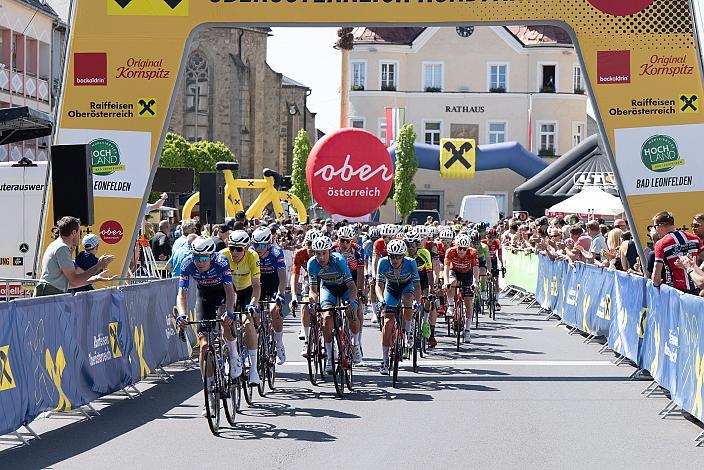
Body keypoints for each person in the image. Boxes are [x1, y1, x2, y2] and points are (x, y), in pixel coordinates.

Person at [175, 236, 258, 418]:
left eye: (204, 258)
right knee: (204, 345)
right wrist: (181, 315)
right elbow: (182, 294)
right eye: (197, 257)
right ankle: (209, 391)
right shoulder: (187, 263)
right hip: (204, 296)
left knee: (224, 323)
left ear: (211, 257)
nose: (200, 262)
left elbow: (230, 292)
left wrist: (229, 312)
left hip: (223, 294)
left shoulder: (221, 262)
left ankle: (234, 356)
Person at [307, 236, 359, 373]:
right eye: (318, 253)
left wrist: (351, 302)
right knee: (326, 317)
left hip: (345, 288)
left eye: (324, 253)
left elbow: (352, 287)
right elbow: (313, 290)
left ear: (330, 251)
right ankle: (330, 357)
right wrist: (312, 302)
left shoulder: (339, 260)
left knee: (350, 312)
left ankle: (356, 343)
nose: (321, 257)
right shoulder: (312, 263)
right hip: (328, 288)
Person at [35, 216, 115, 297]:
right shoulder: (62, 248)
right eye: (79, 232)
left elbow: (70, 283)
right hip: (50, 295)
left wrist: (95, 278)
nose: (80, 236)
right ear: (73, 233)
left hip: (49, 294)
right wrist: (98, 266)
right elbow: (74, 280)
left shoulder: (56, 245)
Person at [375, 239, 420, 375]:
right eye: (392, 256)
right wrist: (381, 299)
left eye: (398, 256)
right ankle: (384, 359)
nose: (394, 259)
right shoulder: (383, 263)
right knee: (387, 322)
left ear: (403, 256)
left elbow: (417, 286)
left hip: (407, 287)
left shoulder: (410, 263)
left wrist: (417, 301)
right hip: (391, 289)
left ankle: (408, 330)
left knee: (407, 302)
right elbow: (379, 285)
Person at [219, 230, 261, 372]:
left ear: (246, 248)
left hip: (246, 291)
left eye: (238, 249)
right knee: (223, 319)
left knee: (248, 324)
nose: (234, 252)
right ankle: (231, 354)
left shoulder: (252, 256)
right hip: (229, 291)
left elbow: (256, 285)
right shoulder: (223, 256)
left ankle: (254, 367)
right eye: (231, 248)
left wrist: (253, 303)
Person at [251, 226, 288, 365]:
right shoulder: (251, 252)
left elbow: (283, 277)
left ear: (268, 244)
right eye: (255, 245)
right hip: (258, 284)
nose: (258, 248)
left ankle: (279, 344)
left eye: (261, 245)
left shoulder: (276, 252)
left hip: (274, 282)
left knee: (274, 311)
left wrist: (281, 293)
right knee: (254, 313)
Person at [333, 225, 365, 364]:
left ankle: (356, 341)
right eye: (342, 240)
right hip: (335, 279)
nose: (344, 244)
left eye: (347, 241)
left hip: (351, 279)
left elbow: (360, 272)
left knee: (356, 309)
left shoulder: (358, 250)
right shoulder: (332, 249)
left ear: (352, 241)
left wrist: (359, 291)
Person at [651, 211, 703, 293]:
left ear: (660, 225)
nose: (655, 230)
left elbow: (656, 273)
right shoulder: (694, 238)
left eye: (655, 227)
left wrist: (656, 286)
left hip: (675, 291)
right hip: (695, 288)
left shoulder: (661, 244)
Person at [444, 234, 479, 343]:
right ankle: (450, 305)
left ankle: (467, 330)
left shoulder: (472, 252)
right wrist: (445, 281)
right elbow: (446, 267)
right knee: (451, 282)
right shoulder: (450, 251)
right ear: (456, 246)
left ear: (467, 248)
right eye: (460, 248)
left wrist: (475, 282)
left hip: (467, 274)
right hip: (454, 272)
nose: (462, 251)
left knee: (468, 303)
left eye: (464, 249)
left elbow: (476, 268)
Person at [404, 231, 435, 348]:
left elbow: (429, 272)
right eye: (408, 245)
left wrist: (431, 288)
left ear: (418, 245)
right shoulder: (404, 253)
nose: (411, 248)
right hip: (408, 280)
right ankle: (410, 329)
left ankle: (425, 322)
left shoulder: (424, 253)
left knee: (427, 300)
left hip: (422, 279)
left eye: (413, 246)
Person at [291, 229, 319, 356]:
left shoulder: (324, 253)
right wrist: (293, 296)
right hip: (309, 279)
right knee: (305, 301)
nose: (312, 249)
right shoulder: (300, 254)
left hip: (324, 279)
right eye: (309, 245)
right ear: (304, 244)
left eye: (314, 246)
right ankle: (307, 341)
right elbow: (295, 275)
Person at [482, 228, 503, 311]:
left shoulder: (497, 242)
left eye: (492, 237)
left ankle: (497, 301)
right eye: (489, 237)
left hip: (493, 261)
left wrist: (502, 266)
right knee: (483, 276)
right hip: (484, 261)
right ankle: (483, 292)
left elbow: (500, 255)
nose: (490, 239)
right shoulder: (482, 242)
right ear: (486, 236)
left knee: (496, 281)